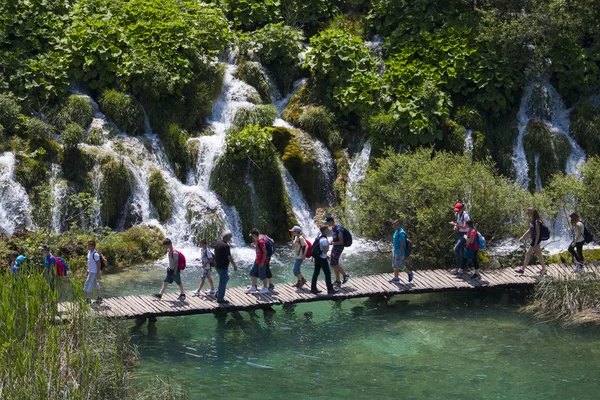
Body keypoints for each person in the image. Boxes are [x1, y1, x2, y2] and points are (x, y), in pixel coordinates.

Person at [516, 207, 546, 274]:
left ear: (532, 213)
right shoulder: (532, 220)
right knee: (538, 254)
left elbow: (538, 233)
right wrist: (523, 237)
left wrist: (535, 243)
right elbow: (530, 230)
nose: (527, 212)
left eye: (528, 211)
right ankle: (544, 268)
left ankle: (522, 269)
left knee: (528, 253)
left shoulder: (537, 221)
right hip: (534, 239)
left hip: (536, 239)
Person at [324, 216, 350, 286]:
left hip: (339, 247)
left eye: (327, 223)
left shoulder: (338, 228)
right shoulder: (333, 228)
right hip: (335, 247)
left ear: (331, 222)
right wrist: (332, 241)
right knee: (335, 263)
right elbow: (336, 238)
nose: (326, 224)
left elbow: (341, 241)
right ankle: (338, 281)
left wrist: (332, 243)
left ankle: (345, 275)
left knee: (333, 264)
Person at [214, 231, 238, 304]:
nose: (231, 239)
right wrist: (234, 265)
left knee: (225, 278)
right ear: (227, 238)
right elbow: (229, 257)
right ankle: (220, 299)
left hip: (217, 265)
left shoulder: (218, 242)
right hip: (223, 267)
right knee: (222, 283)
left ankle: (217, 293)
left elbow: (214, 251)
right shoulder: (226, 246)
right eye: (230, 237)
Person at [311, 225, 336, 295]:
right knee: (327, 273)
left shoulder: (319, 237)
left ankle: (313, 288)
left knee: (316, 273)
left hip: (317, 257)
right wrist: (328, 245)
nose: (328, 230)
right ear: (324, 230)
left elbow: (321, 249)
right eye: (327, 229)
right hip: (322, 258)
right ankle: (330, 290)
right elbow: (325, 250)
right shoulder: (324, 240)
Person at [449, 203, 470, 274]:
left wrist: (455, 224)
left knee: (456, 249)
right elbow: (458, 224)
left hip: (465, 235)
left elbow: (465, 226)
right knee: (462, 251)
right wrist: (455, 227)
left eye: (458, 210)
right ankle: (465, 267)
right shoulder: (457, 215)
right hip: (460, 233)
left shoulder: (465, 215)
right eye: (456, 210)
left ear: (461, 209)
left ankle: (458, 267)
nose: (457, 212)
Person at [247, 228, 270, 295]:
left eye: (252, 235)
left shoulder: (261, 241)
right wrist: (254, 247)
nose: (252, 237)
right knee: (252, 271)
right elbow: (259, 249)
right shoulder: (258, 240)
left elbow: (265, 252)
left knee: (262, 274)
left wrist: (262, 262)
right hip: (257, 259)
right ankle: (253, 286)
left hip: (261, 261)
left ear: (254, 235)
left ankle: (265, 288)